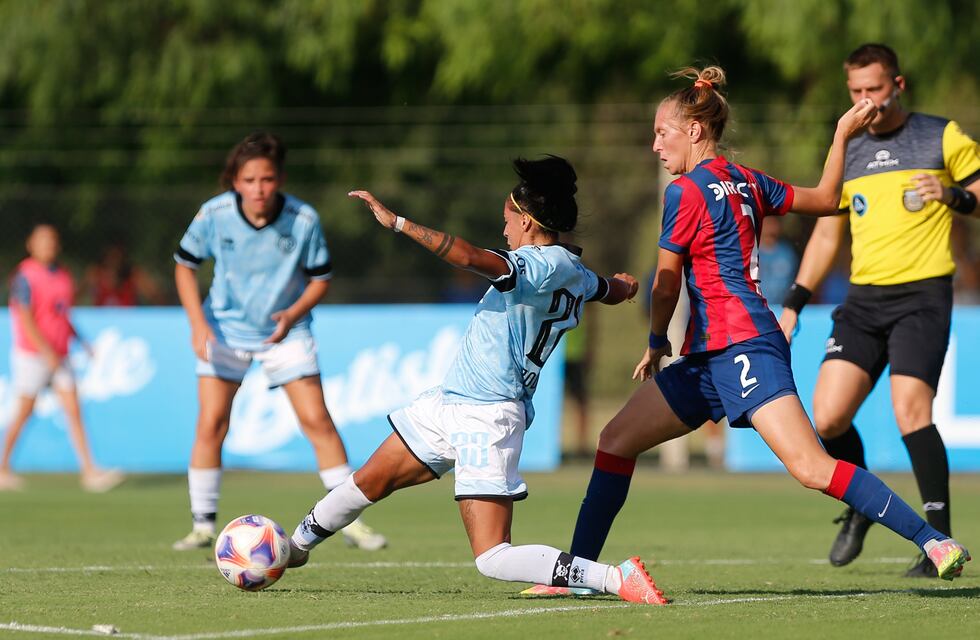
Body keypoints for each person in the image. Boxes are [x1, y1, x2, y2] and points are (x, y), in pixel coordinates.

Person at [530, 66, 969, 598]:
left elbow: (666, 282)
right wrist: (840, 137)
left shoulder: (684, 190)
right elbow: (830, 198)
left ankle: (933, 540)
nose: (654, 145)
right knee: (615, 440)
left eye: (662, 132)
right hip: (712, 352)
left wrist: (654, 341)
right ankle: (577, 573)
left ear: (694, 130)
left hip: (740, 345)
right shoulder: (748, 180)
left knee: (811, 467)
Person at [286, 156, 670, 605]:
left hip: (485, 416)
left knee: (492, 557)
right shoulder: (574, 272)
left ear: (527, 222)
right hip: (450, 404)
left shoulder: (538, 266)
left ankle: (612, 577)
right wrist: (624, 287)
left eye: (507, 220)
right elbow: (608, 288)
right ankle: (293, 549)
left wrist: (398, 223)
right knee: (367, 482)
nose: (503, 229)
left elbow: (469, 257)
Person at [778, 44, 980, 577]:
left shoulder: (941, 135)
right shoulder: (850, 148)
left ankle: (937, 542)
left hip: (923, 295)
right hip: (863, 300)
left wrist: (953, 195)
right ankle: (863, 506)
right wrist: (795, 301)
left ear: (899, 85)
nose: (866, 101)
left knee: (911, 409)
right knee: (827, 417)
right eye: (856, 92)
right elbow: (827, 233)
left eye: (875, 88)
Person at [171, 132, 386, 551]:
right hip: (225, 330)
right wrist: (198, 324)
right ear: (235, 181)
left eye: (266, 179)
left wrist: (291, 313)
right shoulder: (212, 215)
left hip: (286, 331)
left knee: (316, 421)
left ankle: (348, 522)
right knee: (212, 423)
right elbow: (184, 266)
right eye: (249, 180)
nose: (258, 189)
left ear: (280, 179)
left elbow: (321, 279)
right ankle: (202, 525)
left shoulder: (303, 219)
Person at [0, 224, 124, 492]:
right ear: (31, 245)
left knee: (74, 410)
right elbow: (25, 318)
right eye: (42, 241)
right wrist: (45, 351)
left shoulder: (63, 275)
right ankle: (3, 467)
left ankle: (90, 471)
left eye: (51, 241)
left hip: (61, 354)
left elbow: (62, 315)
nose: (48, 246)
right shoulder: (24, 276)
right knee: (24, 411)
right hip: (33, 355)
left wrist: (81, 341)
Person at [86, 241, 166, 306]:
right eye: (110, 256)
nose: (113, 260)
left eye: (116, 256)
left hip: (128, 321)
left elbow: (157, 297)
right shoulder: (95, 274)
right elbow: (75, 297)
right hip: (101, 322)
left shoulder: (133, 275)